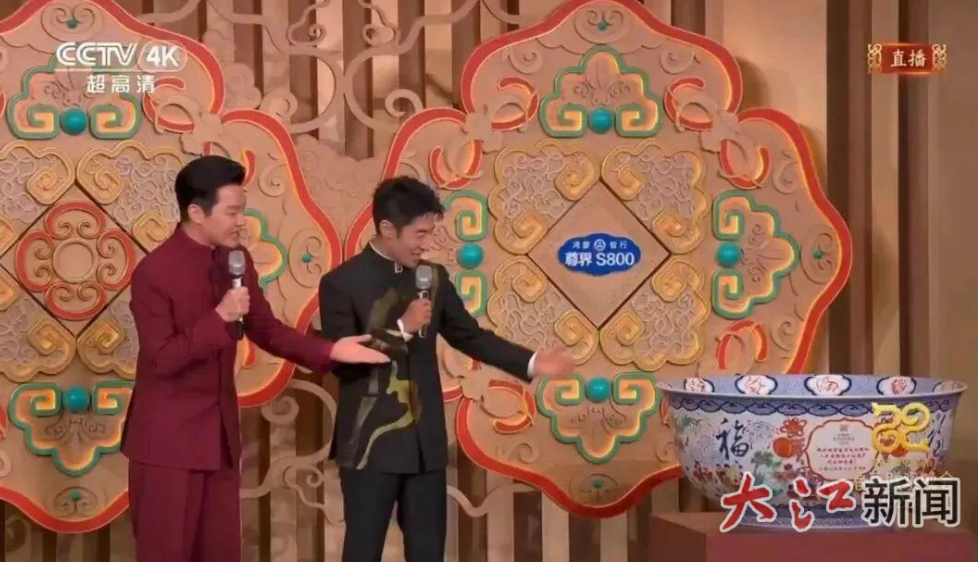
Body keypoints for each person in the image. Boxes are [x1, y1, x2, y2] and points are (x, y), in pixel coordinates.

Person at [122, 155, 390, 562]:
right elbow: (163, 359)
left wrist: (331, 350)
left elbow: (266, 329)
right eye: (232, 212)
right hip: (167, 445)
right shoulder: (154, 273)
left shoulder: (235, 260)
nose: (241, 221)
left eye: (242, 210)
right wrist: (220, 317)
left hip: (219, 441)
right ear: (196, 212)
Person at [319, 176, 575, 562]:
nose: (427, 244)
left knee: (429, 551)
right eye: (419, 234)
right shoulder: (341, 283)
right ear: (387, 228)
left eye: (430, 233)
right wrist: (403, 327)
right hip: (370, 445)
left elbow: (470, 337)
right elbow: (342, 363)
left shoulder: (434, 278)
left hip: (425, 444)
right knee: (362, 550)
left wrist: (533, 361)